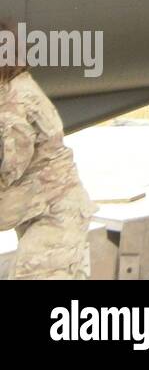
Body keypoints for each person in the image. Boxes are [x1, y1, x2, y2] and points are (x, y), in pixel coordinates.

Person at [1, 20, 95, 280]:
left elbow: (7, 167)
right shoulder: (13, 86)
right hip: (47, 212)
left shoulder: (14, 101)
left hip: (54, 216)